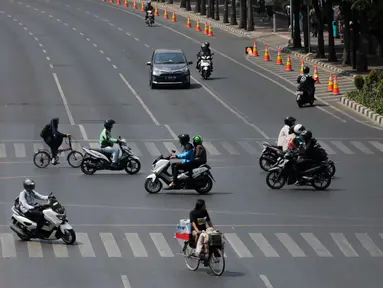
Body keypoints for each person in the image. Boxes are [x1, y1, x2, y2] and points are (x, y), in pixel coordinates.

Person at [189, 199, 213, 264]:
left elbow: (208, 221)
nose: (205, 206)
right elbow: (193, 223)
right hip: (195, 230)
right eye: (204, 205)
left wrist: (212, 228)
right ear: (200, 206)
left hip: (203, 230)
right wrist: (197, 231)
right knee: (197, 235)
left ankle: (206, 253)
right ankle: (197, 250)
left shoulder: (205, 212)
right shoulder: (193, 213)